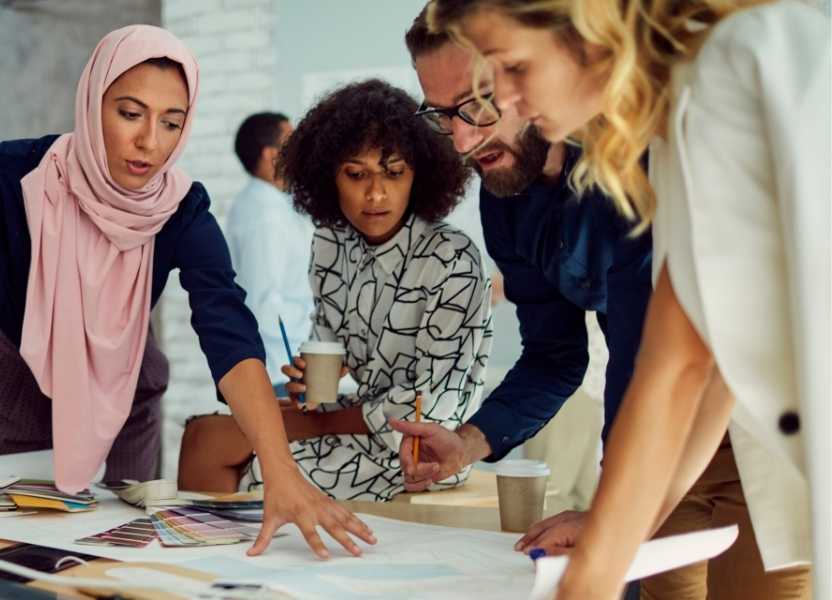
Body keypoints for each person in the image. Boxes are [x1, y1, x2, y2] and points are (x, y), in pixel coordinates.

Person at [0, 24, 375, 560]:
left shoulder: (180, 206)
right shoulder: (13, 176)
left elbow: (227, 328)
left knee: (118, 549)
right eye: (130, 114)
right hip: (24, 384)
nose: (150, 143)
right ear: (93, 102)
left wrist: (281, 472)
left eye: (171, 122)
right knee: (35, 553)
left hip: (127, 390)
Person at [427, 0, 829, 598]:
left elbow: (679, 367)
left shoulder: (732, 69)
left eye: (510, 69)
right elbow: (693, 364)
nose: (505, 101)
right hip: (707, 436)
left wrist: (597, 563)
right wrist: (612, 540)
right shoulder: (666, 133)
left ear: (583, 29)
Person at [178, 79, 493, 501]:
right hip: (351, 420)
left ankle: (226, 556)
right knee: (203, 433)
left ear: (419, 174)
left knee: (243, 462)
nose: (376, 193)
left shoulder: (452, 258)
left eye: (394, 173)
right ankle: (209, 554)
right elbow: (328, 346)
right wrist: (310, 386)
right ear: (329, 176)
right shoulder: (331, 241)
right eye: (356, 174)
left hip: (417, 449)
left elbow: (433, 408)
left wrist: (319, 421)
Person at [393, 6, 652, 519]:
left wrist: (611, 511)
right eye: (443, 114)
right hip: (657, 435)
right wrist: (468, 443)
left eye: (479, 103)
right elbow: (554, 355)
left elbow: (649, 355)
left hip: (745, 422)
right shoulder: (505, 198)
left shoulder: (633, 165)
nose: (463, 142)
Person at [225, 112, 313, 388]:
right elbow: (263, 305)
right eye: (293, 142)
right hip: (282, 370)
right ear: (271, 155)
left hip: (289, 365)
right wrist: (317, 324)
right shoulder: (264, 216)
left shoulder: (271, 205)